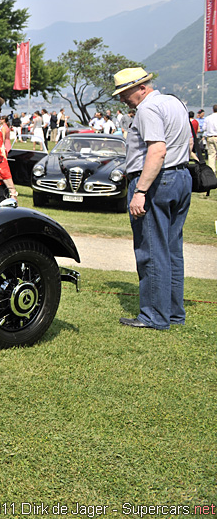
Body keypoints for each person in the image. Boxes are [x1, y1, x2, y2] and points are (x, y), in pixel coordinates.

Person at [113, 67, 192, 330]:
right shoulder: (174, 102)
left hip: (157, 181)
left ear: (141, 88)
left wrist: (141, 191)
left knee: (151, 250)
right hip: (181, 177)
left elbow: (157, 151)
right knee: (171, 249)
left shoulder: (147, 109)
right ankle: (172, 312)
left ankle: (154, 316)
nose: (123, 99)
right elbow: (188, 144)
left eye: (125, 93)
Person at [203, 103, 217, 175]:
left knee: (211, 155)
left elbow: (204, 128)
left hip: (210, 137)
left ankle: (212, 170)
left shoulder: (208, 118)